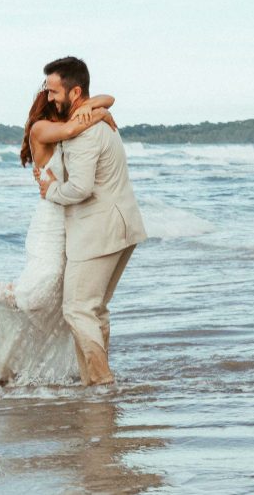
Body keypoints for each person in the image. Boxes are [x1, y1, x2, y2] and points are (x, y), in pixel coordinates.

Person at [0, 85, 117, 386]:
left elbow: (108, 98)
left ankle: (36, 370)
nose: (63, 105)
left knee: (59, 303)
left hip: (72, 221)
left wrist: (100, 107)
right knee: (34, 296)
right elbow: (74, 128)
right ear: (50, 105)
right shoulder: (42, 129)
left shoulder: (66, 124)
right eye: (56, 101)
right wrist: (100, 113)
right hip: (50, 224)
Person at [38, 56, 148, 386]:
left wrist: (50, 190)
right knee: (94, 309)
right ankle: (94, 381)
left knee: (77, 309)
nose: (50, 98)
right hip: (123, 226)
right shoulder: (93, 122)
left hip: (98, 231)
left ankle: (101, 381)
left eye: (55, 92)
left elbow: (80, 188)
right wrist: (100, 106)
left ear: (75, 93)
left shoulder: (84, 133)